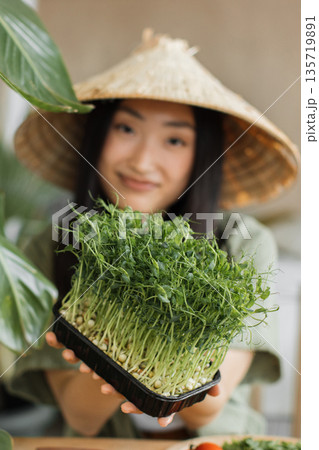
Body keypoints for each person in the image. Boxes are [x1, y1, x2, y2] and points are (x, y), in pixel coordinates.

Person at [7, 29, 299, 439]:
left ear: (202, 156)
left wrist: (127, 347)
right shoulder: (49, 246)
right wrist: (118, 360)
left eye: (175, 140)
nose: (143, 161)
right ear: (96, 135)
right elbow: (81, 418)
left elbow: (205, 412)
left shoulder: (243, 243)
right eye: (126, 129)